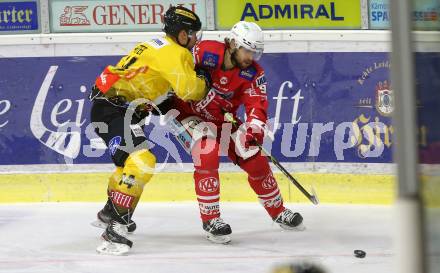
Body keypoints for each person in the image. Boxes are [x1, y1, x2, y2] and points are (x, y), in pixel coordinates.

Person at [89, 6, 209, 255]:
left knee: (127, 166)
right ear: (182, 34)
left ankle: (111, 211)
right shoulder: (176, 53)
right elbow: (190, 90)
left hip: (110, 108)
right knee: (142, 161)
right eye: (193, 34)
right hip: (115, 111)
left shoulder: (154, 45)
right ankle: (115, 229)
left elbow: (150, 86)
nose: (196, 39)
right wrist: (204, 81)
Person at [173, 21, 305, 244]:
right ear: (233, 43)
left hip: (221, 119)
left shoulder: (253, 73)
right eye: (247, 50)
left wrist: (254, 128)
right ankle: (211, 220)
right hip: (186, 115)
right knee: (208, 152)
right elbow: (175, 70)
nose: (250, 57)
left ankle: (278, 211)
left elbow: (257, 105)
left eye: (255, 52)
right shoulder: (205, 51)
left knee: (255, 159)